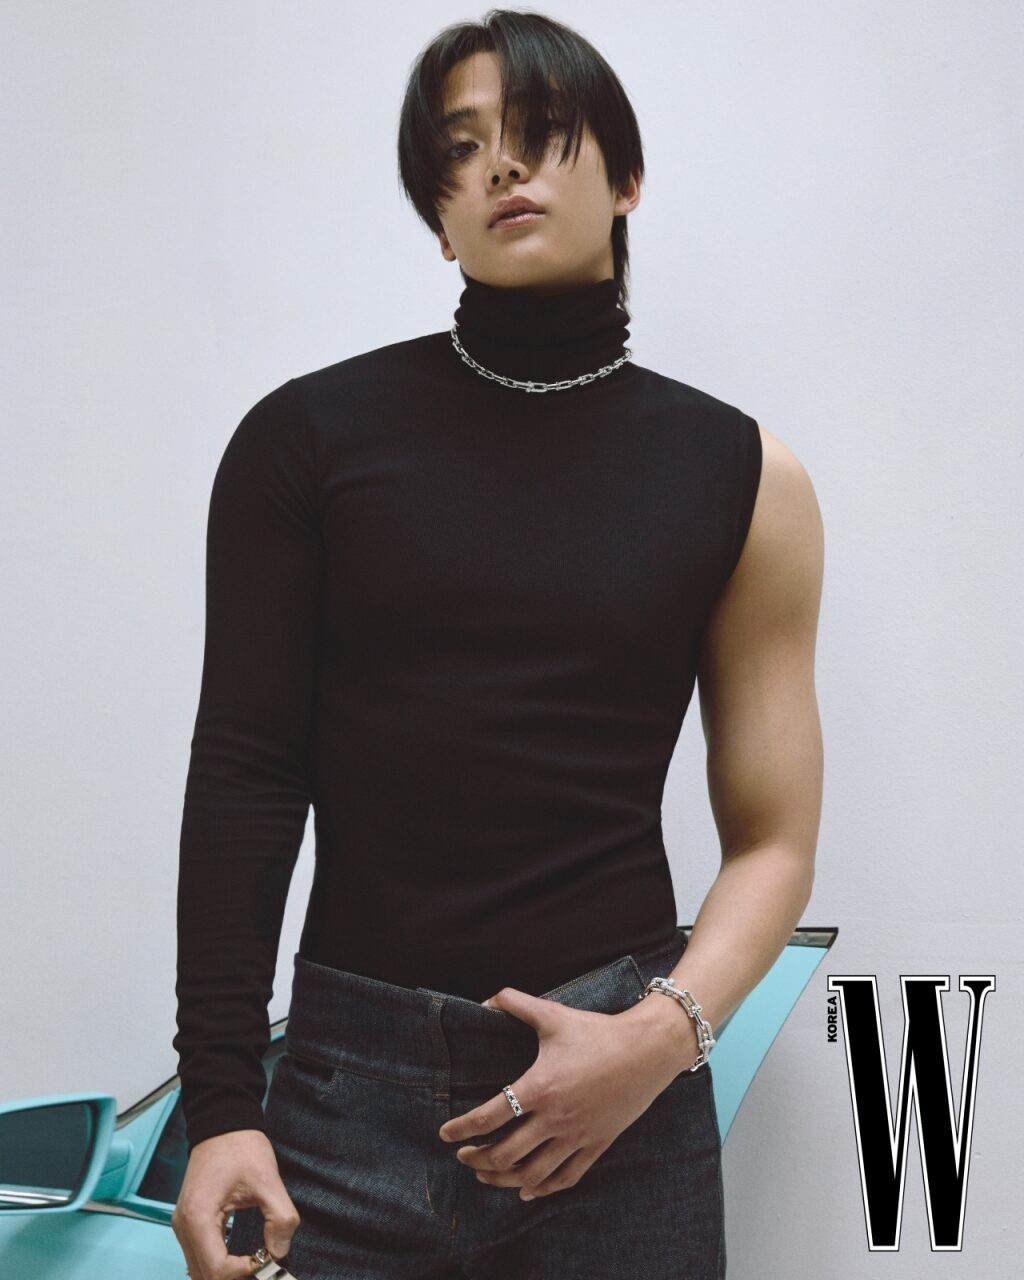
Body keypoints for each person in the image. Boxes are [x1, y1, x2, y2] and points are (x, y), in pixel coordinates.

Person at [171, 10, 823, 1280]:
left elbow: (773, 839)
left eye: (538, 132)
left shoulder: (745, 475)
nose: (502, 166)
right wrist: (222, 1106)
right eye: (462, 148)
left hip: (623, 1101)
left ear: (627, 177)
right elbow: (246, 775)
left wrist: (654, 1041)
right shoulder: (306, 442)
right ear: (439, 215)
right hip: (344, 1106)